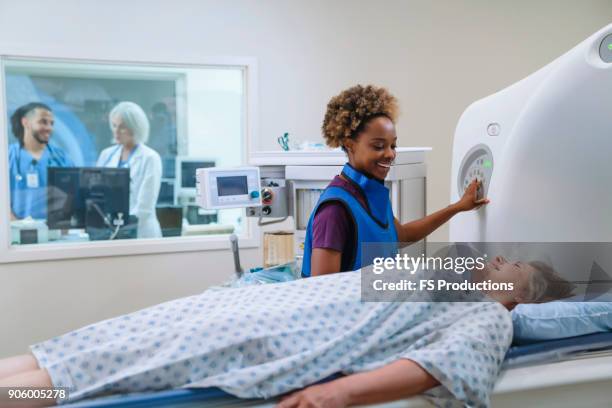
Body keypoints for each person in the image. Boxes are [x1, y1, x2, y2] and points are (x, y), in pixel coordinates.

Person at [0, 257, 573, 407]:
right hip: (240, 312)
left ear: (519, 295)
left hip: (259, 342)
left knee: (78, 380)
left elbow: (445, 368)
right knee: (85, 346)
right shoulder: (440, 276)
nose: (500, 259)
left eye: (514, 266)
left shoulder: (487, 316)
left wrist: (340, 392)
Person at [301, 85, 488, 277]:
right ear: (350, 145)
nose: (390, 154)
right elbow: (322, 292)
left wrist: (458, 207)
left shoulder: (370, 194)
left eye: (393, 145)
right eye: (379, 146)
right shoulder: (335, 211)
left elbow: (403, 235)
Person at [97, 102, 162, 239]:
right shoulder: (106, 155)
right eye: (114, 126)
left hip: (140, 232)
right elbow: (96, 191)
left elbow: (145, 206)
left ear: (135, 128)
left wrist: (122, 227)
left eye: (122, 127)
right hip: (111, 229)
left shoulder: (150, 158)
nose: (116, 131)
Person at [8, 103, 73, 220]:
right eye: (43, 122)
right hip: (16, 232)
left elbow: (71, 197)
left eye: (51, 123)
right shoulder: (8, 156)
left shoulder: (61, 158)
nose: (49, 128)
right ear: (25, 122)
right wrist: (16, 226)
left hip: (55, 232)